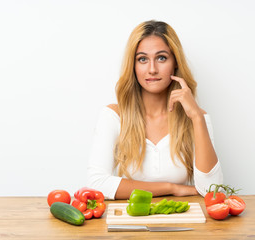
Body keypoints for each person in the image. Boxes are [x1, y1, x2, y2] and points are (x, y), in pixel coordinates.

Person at [86, 20, 223, 200]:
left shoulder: (197, 117)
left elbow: (212, 191)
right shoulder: (114, 116)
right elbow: (96, 184)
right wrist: (171, 188)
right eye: (142, 59)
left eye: (161, 58)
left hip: (182, 219)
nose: (152, 69)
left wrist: (196, 117)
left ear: (175, 62)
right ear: (133, 66)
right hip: (131, 219)